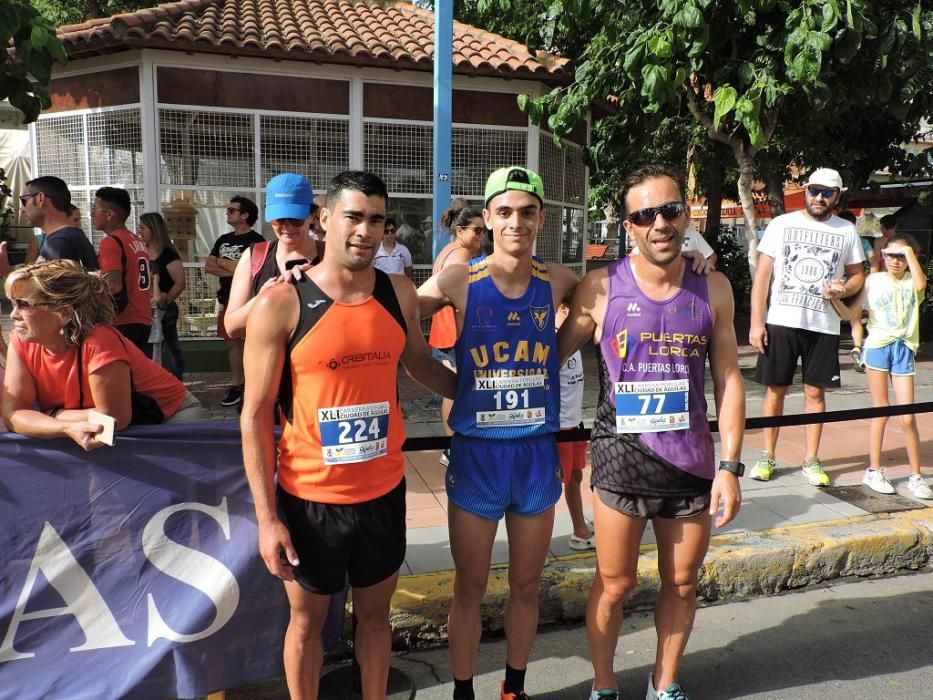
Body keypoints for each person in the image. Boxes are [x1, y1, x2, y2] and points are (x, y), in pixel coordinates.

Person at [240, 170, 456, 700]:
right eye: (353, 216)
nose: (366, 230)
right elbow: (254, 415)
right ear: (324, 219)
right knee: (308, 624)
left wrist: (480, 394)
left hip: (382, 492)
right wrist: (268, 520)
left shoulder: (398, 291)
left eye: (377, 219)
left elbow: (419, 364)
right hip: (312, 499)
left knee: (377, 621)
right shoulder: (281, 303)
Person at [558, 163, 744, 700]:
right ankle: (604, 685)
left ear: (686, 216)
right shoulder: (600, 287)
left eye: (669, 210)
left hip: (690, 464)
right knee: (614, 585)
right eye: (644, 214)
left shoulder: (713, 288)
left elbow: (729, 382)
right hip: (621, 459)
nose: (659, 223)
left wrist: (729, 469)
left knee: (682, 583)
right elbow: (549, 356)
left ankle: (664, 684)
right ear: (627, 225)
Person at [418, 166, 578, 700]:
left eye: (527, 212)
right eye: (504, 212)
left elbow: (615, 285)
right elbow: (391, 314)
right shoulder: (460, 279)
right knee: (470, 586)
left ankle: (514, 687)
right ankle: (464, 690)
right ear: (486, 218)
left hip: (534, 455)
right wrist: (450, 384)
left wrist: (699, 261)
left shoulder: (556, 280)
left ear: (541, 218)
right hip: (478, 456)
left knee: (527, 586)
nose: (516, 222)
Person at [2, 260, 202, 451]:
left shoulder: (100, 341)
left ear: (62, 313)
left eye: (23, 304)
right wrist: (62, 427)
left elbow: (115, 418)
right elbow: (13, 413)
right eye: (13, 304)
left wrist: (54, 414)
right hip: (110, 425)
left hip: (171, 415)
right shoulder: (21, 341)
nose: (13, 315)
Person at [748, 167, 864, 487]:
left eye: (828, 192)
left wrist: (844, 287)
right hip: (781, 321)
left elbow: (857, 275)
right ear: (805, 191)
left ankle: (811, 459)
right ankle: (767, 455)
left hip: (823, 325)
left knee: (815, 392)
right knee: (775, 390)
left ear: (837, 196)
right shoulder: (781, 224)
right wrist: (757, 322)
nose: (819, 197)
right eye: (814, 190)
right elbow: (762, 277)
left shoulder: (846, 231)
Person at [825, 233, 932, 500]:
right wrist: (835, 299)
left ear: (911, 257)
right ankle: (873, 470)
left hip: (903, 348)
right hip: (877, 347)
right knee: (881, 410)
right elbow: (853, 314)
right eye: (890, 255)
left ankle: (916, 476)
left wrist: (907, 251)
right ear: (882, 257)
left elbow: (921, 284)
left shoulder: (912, 282)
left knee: (908, 415)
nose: (895, 261)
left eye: (902, 256)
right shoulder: (874, 281)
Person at [223, 174, 319, 339]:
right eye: (279, 219)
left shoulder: (329, 257)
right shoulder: (255, 257)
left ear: (311, 216)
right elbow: (232, 327)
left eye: (296, 219)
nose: (287, 227)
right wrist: (263, 298)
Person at [428, 205, 486, 466]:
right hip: (454, 333)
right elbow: (466, 300)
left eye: (483, 231)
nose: (481, 236)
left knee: (452, 391)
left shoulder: (448, 251)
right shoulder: (460, 256)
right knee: (456, 392)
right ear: (460, 230)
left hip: (446, 331)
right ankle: (454, 447)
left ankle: (452, 445)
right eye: (476, 231)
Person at [206, 195, 265, 407]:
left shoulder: (257, 242)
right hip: (226, 300)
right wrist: (234, 265)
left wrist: (227, 265)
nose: (227, 212)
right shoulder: (223, 239)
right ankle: (236, 385)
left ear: (245, 215)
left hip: (250, 302)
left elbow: (252, 270)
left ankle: (253, 385)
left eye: (232, 210)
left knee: (252, 344)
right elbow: (209, 267)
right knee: (232, 344)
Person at [93, 187, 153, 356]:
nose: (91, 214)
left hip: (124, 320)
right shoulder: (136, 240)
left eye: (94, 208)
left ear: (109, 214)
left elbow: (113, 285)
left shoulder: (111, 242)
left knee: (122, 378)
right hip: (143, 319)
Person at [555, 293, 592, 550]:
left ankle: (580, 529)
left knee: (576, 476)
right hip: (557, 426)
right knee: (548, 487)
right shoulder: (553, 340)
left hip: (574, 421)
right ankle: (532, 546)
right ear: (563, 308)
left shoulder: (574, 340)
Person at [139, 212, 186, 379]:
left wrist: (166, 302)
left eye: (143, 228)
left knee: (171, 346)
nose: (139, 232)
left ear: (154, 229)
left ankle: (177, 380)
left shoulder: (168, 253)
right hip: (146, 308)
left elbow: (180, 282)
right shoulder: (140, 251)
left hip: (164, 308)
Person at [20, 176, 98, 269]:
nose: (22, 209)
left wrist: (7, 273)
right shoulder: (72, 235)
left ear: (40, 198)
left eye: (24, 201)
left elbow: (54, 283)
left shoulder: (58, 243)